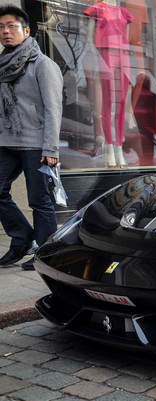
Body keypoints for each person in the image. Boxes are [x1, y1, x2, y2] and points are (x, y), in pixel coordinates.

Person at [0, 5, 63, 270]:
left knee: (40, 201)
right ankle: (22, 238)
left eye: (11, 26)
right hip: (6, 141)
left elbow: (53, 108)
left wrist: (51, 147)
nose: (5, 31)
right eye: (1, 27)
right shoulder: (2, 66)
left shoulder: (43, 65)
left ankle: (47, 252)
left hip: (36, 144)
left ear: (26, 30)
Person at [85, 0, 134, 168]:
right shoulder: (98, 8)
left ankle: (119, 148)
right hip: (105, 52)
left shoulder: (124, 12)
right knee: (108, 100)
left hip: (123, 55)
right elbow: (89, 38)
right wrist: (95, 54)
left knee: (121, 102)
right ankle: (110, 149)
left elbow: (126, 38)